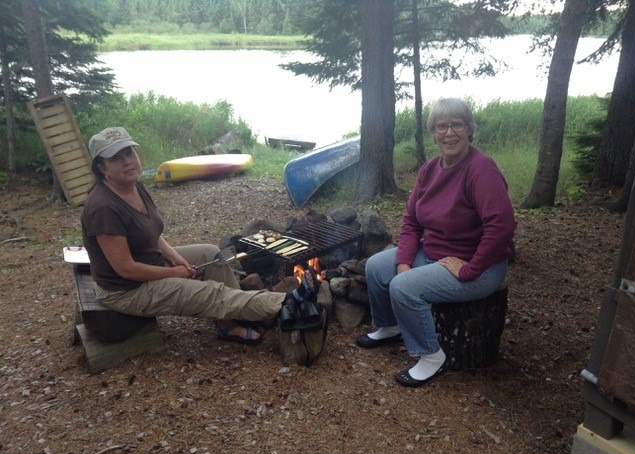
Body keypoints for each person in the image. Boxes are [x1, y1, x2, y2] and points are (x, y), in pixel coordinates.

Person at [81, 126, 317, 346]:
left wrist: (175, 257)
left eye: (129, 152)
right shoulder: (104, 208)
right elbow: (126, 269)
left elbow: (150, 233)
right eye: (116, 158)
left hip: (147, 263)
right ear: (102, 168)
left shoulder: (133, 185)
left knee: (210, 252)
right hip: (126, 290)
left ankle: (231, 320)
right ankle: (286, 301)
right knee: (209, 293)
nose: (127, 161)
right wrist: (174, 273)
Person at [355, 98, 516, 387]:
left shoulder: (481, 170)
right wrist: (404, 262)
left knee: (403, 287)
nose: (449, 133)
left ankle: (431, 355)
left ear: (469, 129)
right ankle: (390, 326)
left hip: (479, 266)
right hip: (434, 252)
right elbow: (411, 221)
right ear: (433, 132)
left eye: (457, 125)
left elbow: (502, 227)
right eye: (442, 126)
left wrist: (470, 270)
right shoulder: (429, 169)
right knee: (378, 267)